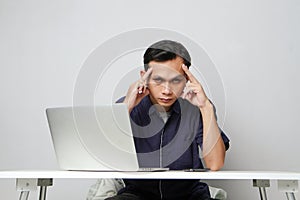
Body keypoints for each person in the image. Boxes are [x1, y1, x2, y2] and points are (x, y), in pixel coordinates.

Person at [106, 40, 230, 200]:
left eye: (176, 80)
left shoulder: (196, 109)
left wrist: (205, 107)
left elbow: (215, 163)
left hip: (188, 195)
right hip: (137, 195)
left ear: (187, 79)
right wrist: (126, 107)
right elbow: (104, 156)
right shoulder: (125, 107)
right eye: (158, 80)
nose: (166, 90)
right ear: (144, 77)